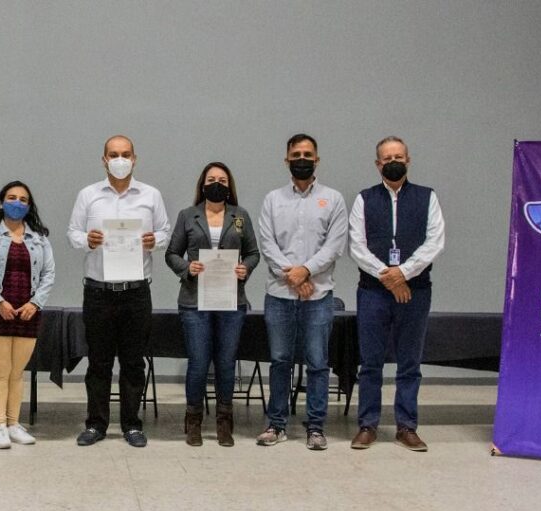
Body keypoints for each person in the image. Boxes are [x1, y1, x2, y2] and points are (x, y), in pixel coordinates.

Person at [67, 135, 170, 448]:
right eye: (113, 154)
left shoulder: (151, 195)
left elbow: (165, 231)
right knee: (98, 363)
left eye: (125, 154)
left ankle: (132, 425)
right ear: (104, 160)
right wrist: (88, 240)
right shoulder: (89, 195)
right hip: (98, 292)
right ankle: (96, 424)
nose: (120, 159)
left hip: (136, 292)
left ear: (134, 158)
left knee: (133, 363)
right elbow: (72, 233)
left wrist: (155, 241)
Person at [349, 136, 445, 452]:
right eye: (387, 158)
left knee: (409, 364)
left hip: (415, 291)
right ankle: (368, 425)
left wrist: (403, 273)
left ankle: (406, 427)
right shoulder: (364, 199)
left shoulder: (427, 197)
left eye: (398, 157)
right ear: (378, 164)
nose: (393, 162)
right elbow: (357, 246)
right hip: (373, 292)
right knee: (370, 363)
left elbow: (435, 242)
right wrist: (389, 277)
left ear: (408, 160)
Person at [257, 133, 348, 449]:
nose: (302, 159)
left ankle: (316, 427)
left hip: (318, 295)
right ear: (286, 160)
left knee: (318, 362)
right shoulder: (273, 199)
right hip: (280, 294)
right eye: (296, 155)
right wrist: (294, 276)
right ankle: (277, 424)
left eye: (308, 154)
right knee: (280, 360)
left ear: (317, 160)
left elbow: (334, 245)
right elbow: (267, 244)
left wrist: (306, 271)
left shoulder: (333, 199)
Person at [165, 162, 260, 446]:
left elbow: (253, 253)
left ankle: (224, 422)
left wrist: (245, 268)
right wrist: (187, 267)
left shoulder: (240, 215)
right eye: (211, 179)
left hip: (231, 300)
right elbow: (171, 254)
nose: (216, 183)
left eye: (222, 179)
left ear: (229, 186)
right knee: (198, 363)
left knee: (226, 363)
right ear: (203, 184)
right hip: (195, 301)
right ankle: (193, 419)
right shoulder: (187, 215)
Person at [0, 181, 56, 449]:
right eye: (11, 197)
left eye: (23, 199)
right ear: (1, 202)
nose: (17, 203)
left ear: (29, 206)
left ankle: (14, 424)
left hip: (28, 312)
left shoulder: (39, 237)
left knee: (17, 373)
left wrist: (35, 303)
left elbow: (49, 274)